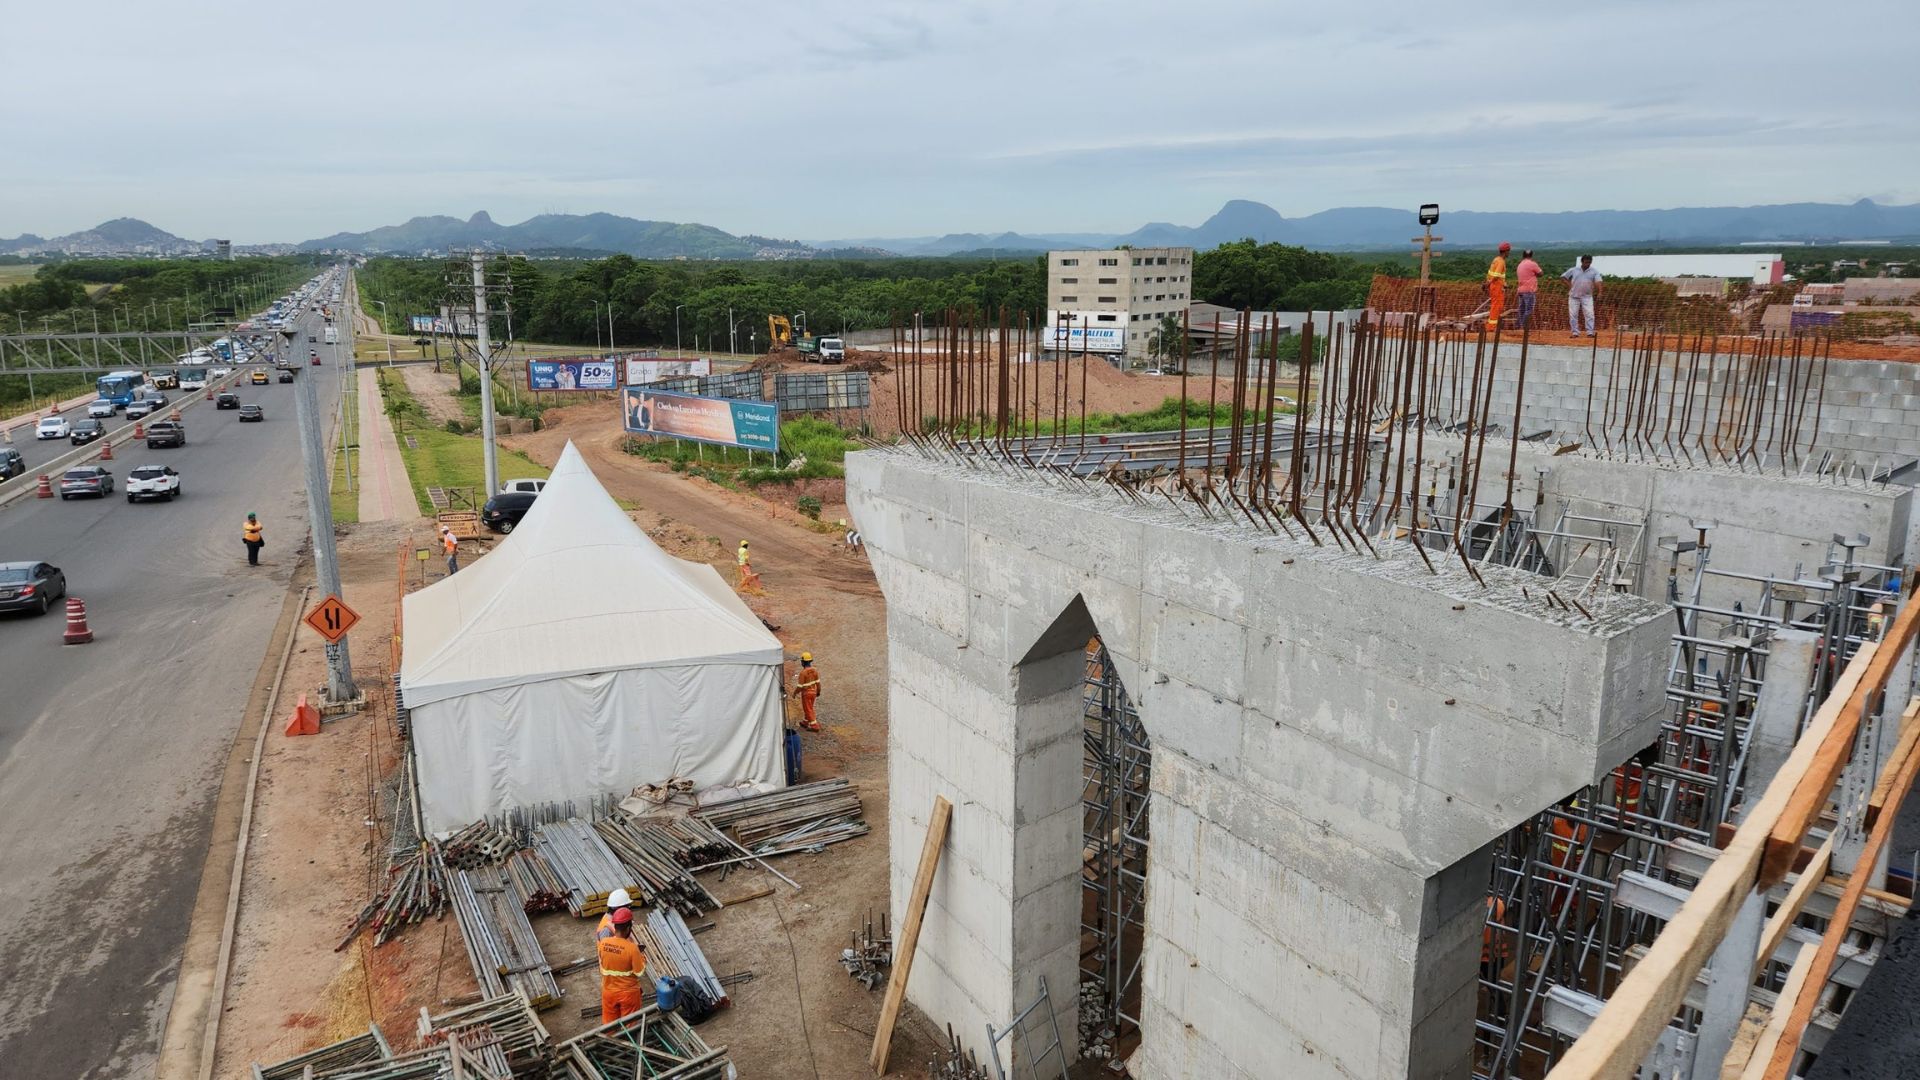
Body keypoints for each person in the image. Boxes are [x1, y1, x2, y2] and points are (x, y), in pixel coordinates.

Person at [597, 906, 648, 1025]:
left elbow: (603, 962)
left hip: (608, 992)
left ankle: (610, 1042)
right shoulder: (632, 948)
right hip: (628, 994)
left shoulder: (603, 943)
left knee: (609, 1026)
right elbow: (639, 972)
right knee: (630, 1026)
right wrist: (642, 958)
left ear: (615, 926)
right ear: (628, 928)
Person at [1562, 255, 1603, 336]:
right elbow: (1563, 277)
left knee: (1590, 314)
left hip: (1587, 296)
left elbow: (1598, 282)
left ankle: (1590, 332)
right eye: (1586, 262)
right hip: (1574, 296)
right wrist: (1570, 286)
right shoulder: (1574, 270)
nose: (1588, 264)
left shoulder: (1594, 271)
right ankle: (1575, 332)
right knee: (1573, 314)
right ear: (1582, 262)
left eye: (1589, 262)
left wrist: (1600, 292)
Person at [1484, 243, 1511, 331]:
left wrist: (1504, 283)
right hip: (1497, 287)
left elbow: (1493, 275)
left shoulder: (1495, 259)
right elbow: (1496, 276)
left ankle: (1491, 325)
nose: (1509, 253)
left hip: (1495, 285)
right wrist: (1489, 283)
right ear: (1506, 251)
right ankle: (1492, 327)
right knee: (1496, 306)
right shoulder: (1501, 262)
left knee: (1495, 305)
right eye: (1508, 251)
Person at [1514, 249, 1543, 329]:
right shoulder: (1532, 264)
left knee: (1522, 309)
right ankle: (1524, 328)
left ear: (1523, 256)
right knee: (1529, 309)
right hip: (1529, 290)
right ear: (1531, 255)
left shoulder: (1520, 264)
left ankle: (1518, 326)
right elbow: (1541, 273)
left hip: (1520, 290)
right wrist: (1534, 275)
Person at [795, 652, 822, 732]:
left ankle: (815, 726)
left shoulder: (803, 673)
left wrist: (794, 693)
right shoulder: (815, 671)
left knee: (808, 709)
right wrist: (818, 692)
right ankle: (805, 722)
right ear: (810, 661)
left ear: (803, 662)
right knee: (809, 708)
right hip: (813, 693)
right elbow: (818, 683)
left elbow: (800, 687)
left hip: (806, 694)